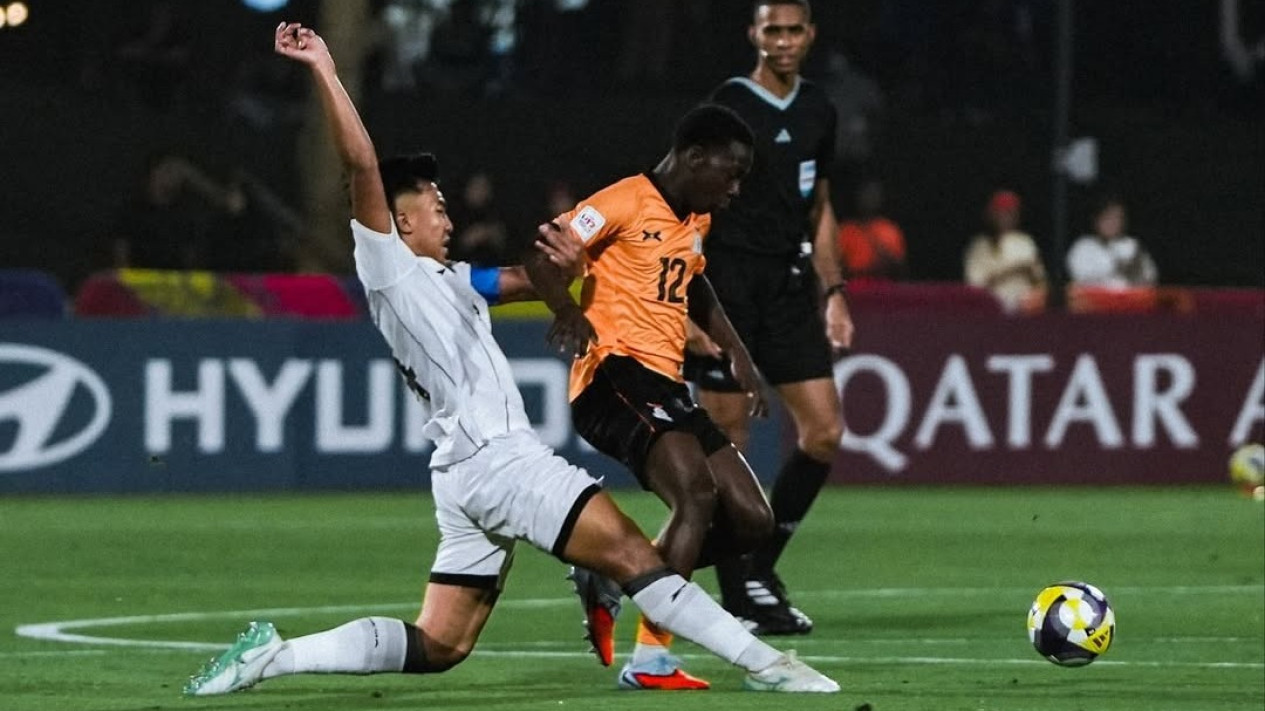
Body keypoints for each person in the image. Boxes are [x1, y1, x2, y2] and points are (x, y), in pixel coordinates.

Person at [182, 22, 839, 698]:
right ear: (400, 224)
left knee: (441, 642)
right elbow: (362, 165)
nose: (446, 216)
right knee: (634, 556)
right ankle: (768, 664)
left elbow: (531, 276)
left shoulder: (455, 280)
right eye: (434, 207)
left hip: (460, 476)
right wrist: (324, 66)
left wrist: (582, 270)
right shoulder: (390, 271)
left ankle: (274, 655)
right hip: (502, 462)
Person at [524, 105, 779, 690]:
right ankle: (652, 658)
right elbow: (542, 253)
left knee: (752, 519)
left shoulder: (695, 219)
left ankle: (616, 575)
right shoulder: (623, 201)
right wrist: (566, 308)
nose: (736, 189)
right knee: (696, 493)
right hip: (613, 375)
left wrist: (736, 349)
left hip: (665, 385)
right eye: (731, 174)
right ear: (694, 157)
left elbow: (694, 279)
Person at [683, 0, 855, 639]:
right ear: (753, 33)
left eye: (793, 30)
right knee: (727, 443)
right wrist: (683, 299)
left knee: (824, 432)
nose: (782, 40)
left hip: (787, 286)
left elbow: (820, 204)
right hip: (725, 286)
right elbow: (683, 199)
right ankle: (740, 595)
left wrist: (833, 290)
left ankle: (758, 567)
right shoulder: (726, 106)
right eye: (771, 30)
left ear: (810, 35)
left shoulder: (819, 109)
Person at [963, 188, 1047, 313]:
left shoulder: (1025, 241)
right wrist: (1014, 269)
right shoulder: (980, 245)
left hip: (1024, 311)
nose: (1007, 217)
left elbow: (1041, 281)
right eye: (1003, 213)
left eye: (1012, 213)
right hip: (991, 311)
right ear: (992, 215)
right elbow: (975, 285)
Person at [1066, 195, 1158, 288]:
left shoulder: (1132, 245)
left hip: (1128, 296)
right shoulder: (1084, 246)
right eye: (1108, 217)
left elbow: (1150, 277)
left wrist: (1136, 266)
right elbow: (1081, 275)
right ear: (1097, 220)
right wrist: (1117, 265)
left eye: (1118, 218)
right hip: (1095, 296)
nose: (1113, 223)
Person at [837, 175, 907, 282]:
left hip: (883, 285)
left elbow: (900, 267)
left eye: (873, 195)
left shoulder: (889, 229)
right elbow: (836, 267)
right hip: (854, 284)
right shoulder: (846, 230)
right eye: (866, 195)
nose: (869, 199)